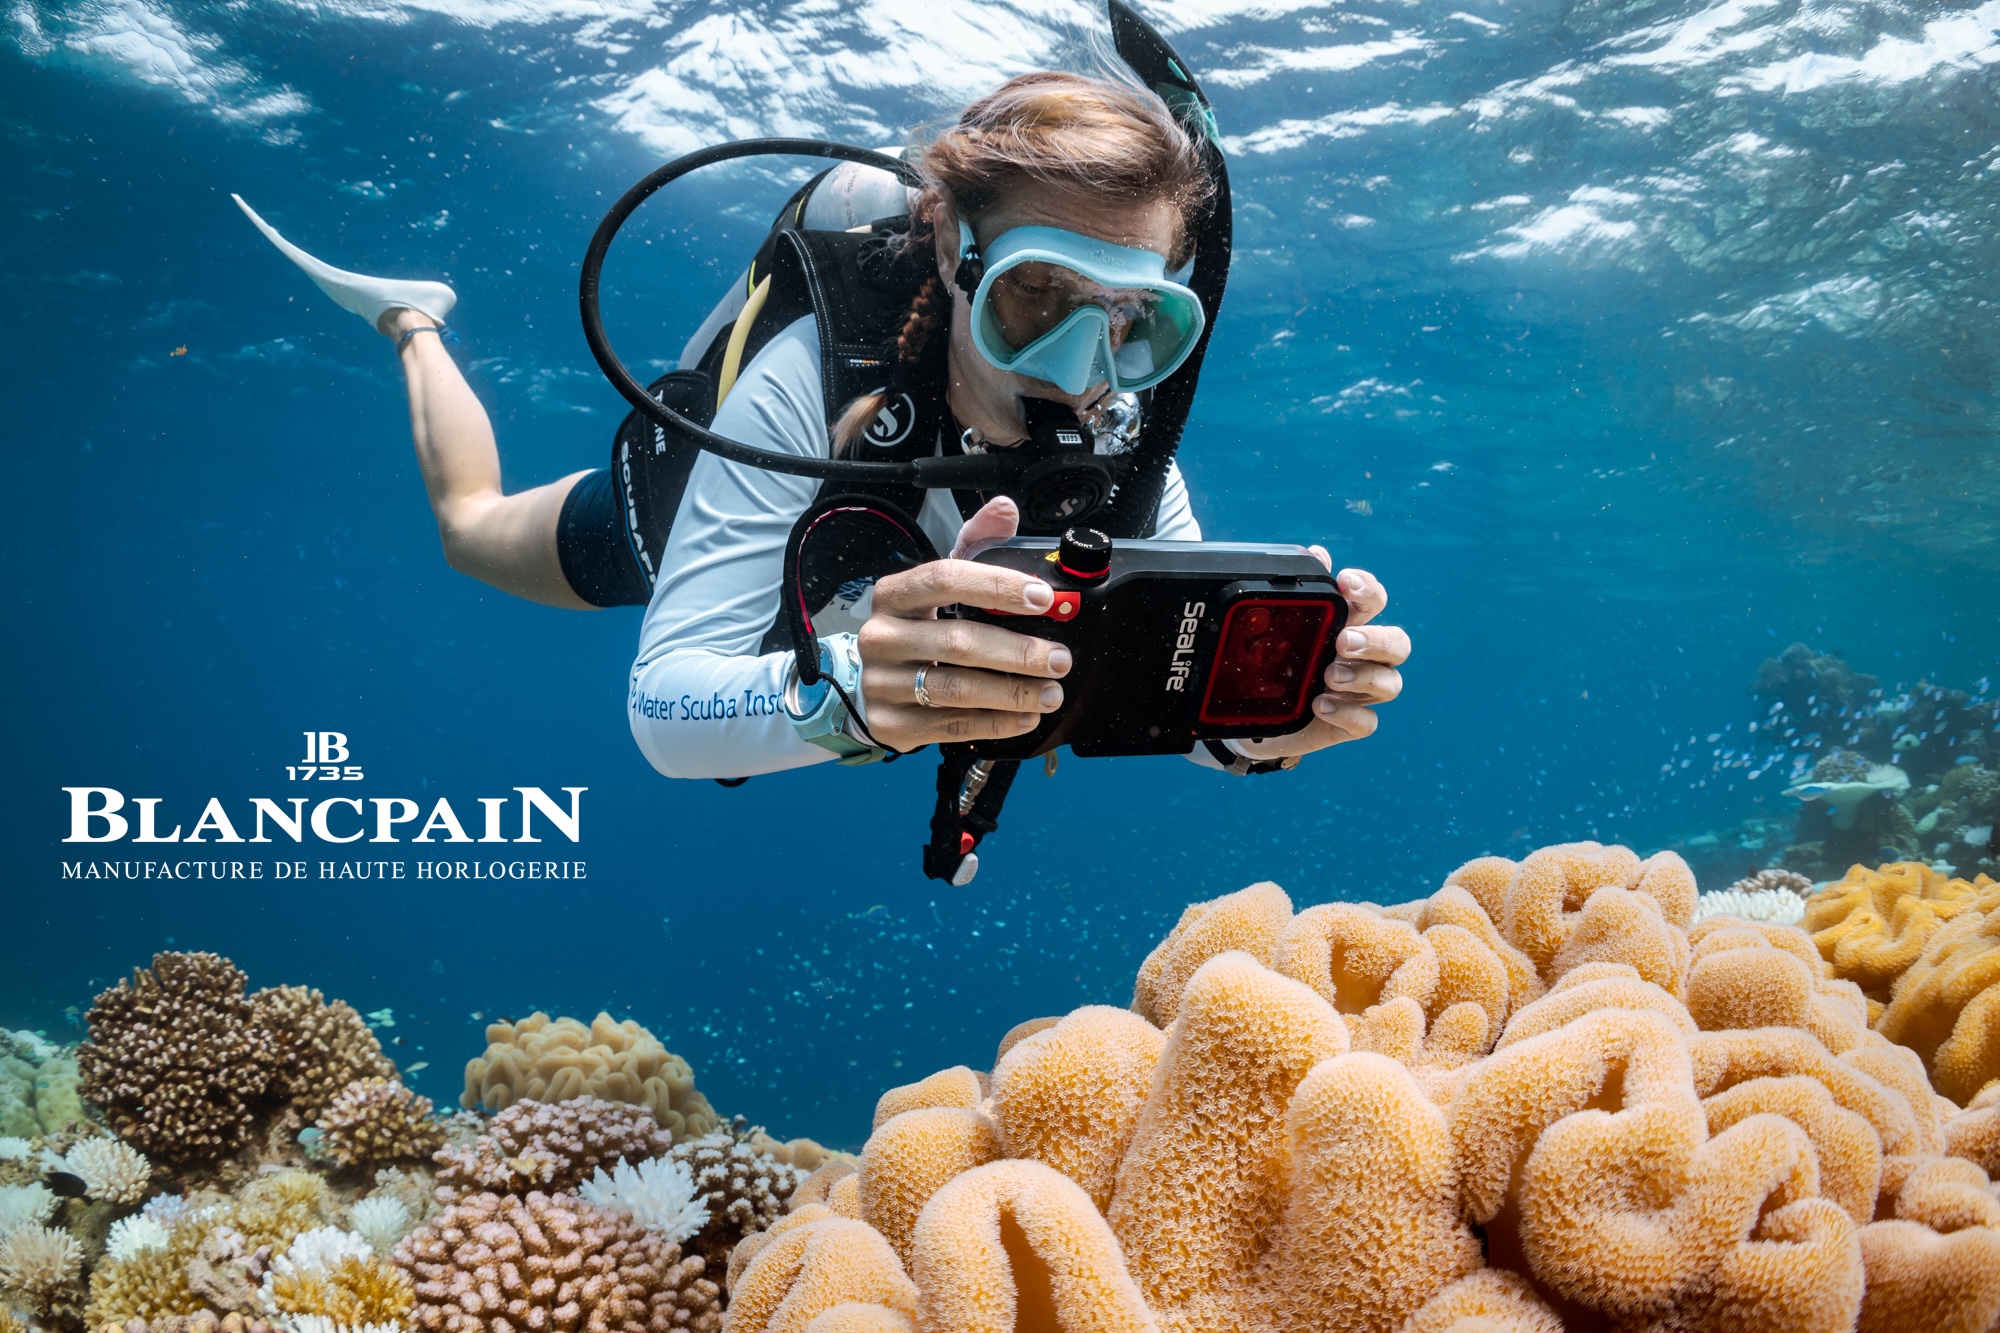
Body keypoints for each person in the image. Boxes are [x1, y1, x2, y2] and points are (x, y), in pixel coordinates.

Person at [239, 71, 1409, 807]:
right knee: (469, 529)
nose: (1081, 373)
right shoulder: (816, 376)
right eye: (1037, 298)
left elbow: (1157, 683)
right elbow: (663, 709)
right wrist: (846, 697)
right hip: (675, 522)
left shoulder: (1125, 442)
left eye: (1133, 321)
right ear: (952, 246)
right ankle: (411, 322)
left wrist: (1271, 720)